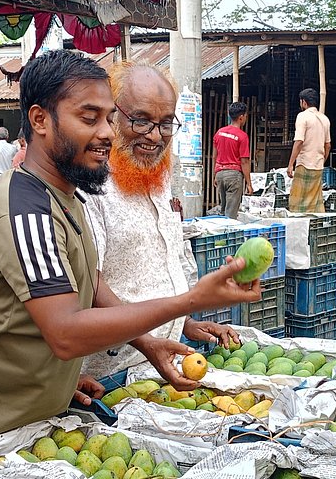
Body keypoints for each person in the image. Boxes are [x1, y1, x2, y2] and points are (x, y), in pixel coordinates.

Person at [0, 51, 258, 448]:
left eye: (110, 118)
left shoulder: (66, 196)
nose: (108, 133)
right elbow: (65, 334)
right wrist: (189, 301)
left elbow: (86, 278)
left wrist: (147, 342)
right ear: (40, 119)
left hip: (29, 423)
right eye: (89, 117)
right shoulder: (25, 212)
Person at [83, 62, 241, 380]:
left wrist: (185, 324)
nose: (155, 137)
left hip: (160, 361)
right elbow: (90, 280)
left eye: (166, 124)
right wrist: (146, 341)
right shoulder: (88, 184)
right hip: (110, 372)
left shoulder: (158, 175)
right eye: (141, 122)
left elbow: (160, 264)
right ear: (110, 116)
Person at [287, 88, 330, 213]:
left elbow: (299, 141)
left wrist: (291, 164)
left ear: (303, 102)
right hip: (318, 164)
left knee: (298, 200)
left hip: (304, 163)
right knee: (315, 199)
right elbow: (328, 145)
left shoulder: (302, 116)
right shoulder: (324, 119)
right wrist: (322, 160)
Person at [213, 102, 253, 219]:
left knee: (224, 209)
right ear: (241, 117)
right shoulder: (242, 136)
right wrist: (249, 183)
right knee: (231, 213)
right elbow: (244, 161)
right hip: (233, 176)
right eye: (245, 116)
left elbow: (214, 156)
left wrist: (215, 174)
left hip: (220, 174)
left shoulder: (219, 133)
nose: (246, 118)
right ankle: (229, 235)